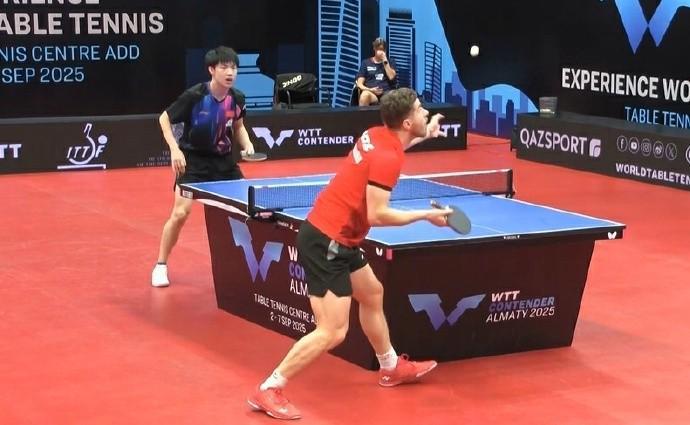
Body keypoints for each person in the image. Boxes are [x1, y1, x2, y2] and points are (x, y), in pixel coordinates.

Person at [247, 88, 451, 420]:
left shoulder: (377, 135)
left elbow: (392, 151)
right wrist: (426, 215)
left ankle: (389, 366)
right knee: (332, 330)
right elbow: (377, 214)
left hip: (339, 236)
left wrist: (424, 135)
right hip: (327, 241)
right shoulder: (388, 157)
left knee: (372, 293)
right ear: (406, 122)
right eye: (420, 109)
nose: (425, 112)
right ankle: (269, 387)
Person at [151, 46, 255, 287]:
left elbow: (238, 126)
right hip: (194, 161)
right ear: (211, 70)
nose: (230, 72)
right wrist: (175, 149)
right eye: (224, 67)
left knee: (249, 210)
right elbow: (164, 118)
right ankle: (160, 265)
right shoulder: (195, 96)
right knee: (180, 213)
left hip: (224, 162)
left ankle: (247, 267)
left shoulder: (237, 98)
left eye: (234, 68)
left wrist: (248, 145)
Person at [356, 37, 397, 106]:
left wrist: (385, 61)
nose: (380, 52)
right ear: (374, 49)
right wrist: (370, 90)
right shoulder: (366, 63)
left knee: (393, 97)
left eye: (382, 49)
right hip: (371, 93)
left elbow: (391, 77)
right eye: (378, 49)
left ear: (385, 50)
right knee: (365, 95)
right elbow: (359, 84)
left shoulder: (390, 62)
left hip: (387, 93)